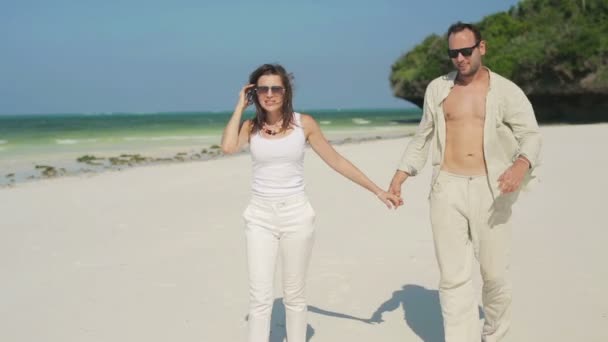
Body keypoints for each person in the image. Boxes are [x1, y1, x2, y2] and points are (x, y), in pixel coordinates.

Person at [221, 63, 401, 342]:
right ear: (254, 93)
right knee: (260, 298)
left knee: (294, 295)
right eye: (262, 89)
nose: (269, 94)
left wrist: (377, 190)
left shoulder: (303, 124)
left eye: (275, 88)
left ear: (286, 91)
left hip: (296, 216)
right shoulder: (250, 126)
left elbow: (336, 160)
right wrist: (238, 107)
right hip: (259, 217)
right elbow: (227, 147)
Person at [388, 22, 542, 342]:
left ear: (481, 48)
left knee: (495, 276)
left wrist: (521, 164)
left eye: (466, 51)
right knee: (453, 279)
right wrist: (401, 175)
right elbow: (423, 136)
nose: (460, 58)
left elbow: (530, 134)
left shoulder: (505, 90)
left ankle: (494, 335)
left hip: (491, 189)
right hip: (447, 188)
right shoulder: (437, 89)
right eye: (453, 53)